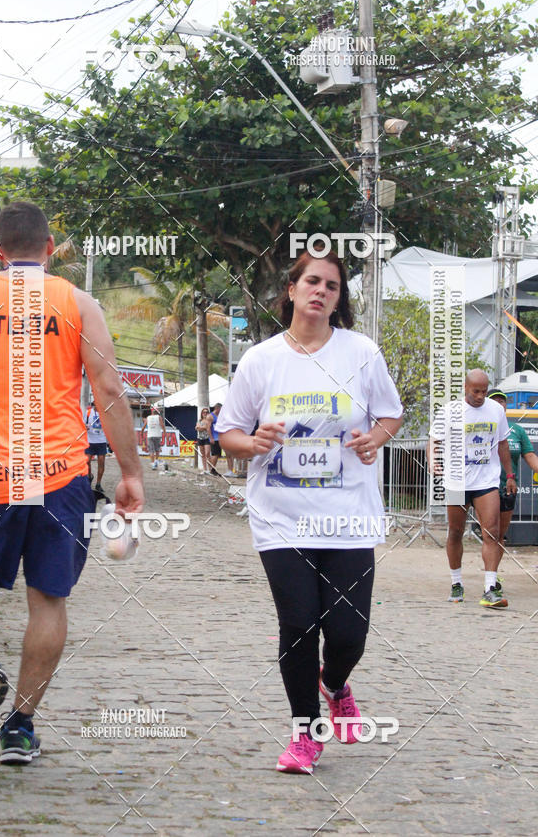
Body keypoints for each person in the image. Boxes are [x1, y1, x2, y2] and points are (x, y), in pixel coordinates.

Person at [0, 201, 144, 765]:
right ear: (51, 248)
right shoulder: (79, 304)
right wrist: (128, 472)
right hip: (60, 474)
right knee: (48, 597)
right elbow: (107, 389)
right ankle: (21, 727)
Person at [217, 249, 403, 774]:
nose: (322, 291)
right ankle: (306, 733)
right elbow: (227, 433)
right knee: (298, 625)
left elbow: (390, 413)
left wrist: (375, 439)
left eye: (333, 286)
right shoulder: (261, 360)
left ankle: (336, 682)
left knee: (347, 634)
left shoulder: (361, 352)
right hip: (281, 517)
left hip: (348, 515)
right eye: (312, 282)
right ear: (292, 290)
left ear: (338, 300)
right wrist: (253, 443)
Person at [427, 370, 516, 609]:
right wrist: (432, 460)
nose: (480, 396)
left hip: (486, 481)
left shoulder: (496, 411)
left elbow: (503, 444)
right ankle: (457, 582)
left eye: (484, 391)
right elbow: (433, 440)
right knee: (456, 532)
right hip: (456, 481)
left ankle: (490, 588)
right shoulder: (449, 411)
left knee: (493, 532)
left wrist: (509, 475)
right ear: (465, 387)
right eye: (475, 391)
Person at [487, 389, 538, 543]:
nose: (499, 404)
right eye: (494, 401)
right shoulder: (480, 426)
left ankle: (493, 567)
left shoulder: (517, 430)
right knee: (490, 533)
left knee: (499, 536)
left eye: (502, 401)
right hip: (484, 486)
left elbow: (529, 455)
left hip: (507, 486)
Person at [85, 403, 108, 492]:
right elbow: (82, 423)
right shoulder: (88, 413)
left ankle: (98, 484)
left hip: (101, 441)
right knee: (87, 461)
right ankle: (90, 476)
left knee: (101, 462)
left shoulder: (105, 413)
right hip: (90, 440)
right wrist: (85, 427)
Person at [195, 406, 212, 473]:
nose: (205, 413)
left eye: (206, 412)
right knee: (203, 455)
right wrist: (203, 427)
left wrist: (200, 427)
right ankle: (205, 469)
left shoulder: (209, 420)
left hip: (207, 438)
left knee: (207, 453)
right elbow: (196, 427)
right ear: (202, 413)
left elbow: (206, 427)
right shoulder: (199, 420)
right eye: (204, 412)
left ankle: (210, 469)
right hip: (200, 438)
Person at [208, 403, 222, 476]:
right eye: (220, 409)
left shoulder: (219, 416)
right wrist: (211, 438)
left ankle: (213, 469)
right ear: (217, 408)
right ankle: (211, 470)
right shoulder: (210, 416)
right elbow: (208, 428)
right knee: (215, 454)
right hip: (214, 438)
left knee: (217, 454)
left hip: (219, 437)